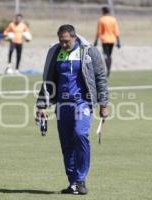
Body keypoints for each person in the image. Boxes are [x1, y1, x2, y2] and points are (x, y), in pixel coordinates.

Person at [36, 25, 109, 195]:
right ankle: (73, 182)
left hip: (82, 103)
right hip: (62, 105)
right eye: (61, 41)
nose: (63, 44)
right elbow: (48, 79)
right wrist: (41, 105)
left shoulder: (89, 51)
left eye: (66, 41)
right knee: (67, 144)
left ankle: (81, 179)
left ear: (74, 37)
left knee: (80, 134)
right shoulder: (55, 52)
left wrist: (104, 103)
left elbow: (100, 77)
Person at [94, 6, 120, 77]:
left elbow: (99, 32)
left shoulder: (101, 20)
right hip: (112, 40)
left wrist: (96, 41)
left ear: (103, 11)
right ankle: (109, 70)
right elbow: (116, 31)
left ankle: (107, 70)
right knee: (109, 55)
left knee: (106, 55)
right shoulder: (113, 19)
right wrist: (118, 41)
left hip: (105, 40)